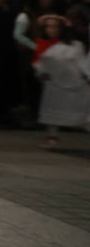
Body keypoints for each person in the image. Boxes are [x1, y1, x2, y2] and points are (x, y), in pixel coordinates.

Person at [32, 15, 90, 148]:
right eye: (48, 26)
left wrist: (87, 76)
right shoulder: (42, 45)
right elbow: (39, 64)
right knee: (52, 110)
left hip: (75, 83)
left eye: (54, 26)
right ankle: (52, 136)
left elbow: (81, 64)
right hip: (54, 84)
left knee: (84, 110)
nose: (51, 29)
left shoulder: (75, 45)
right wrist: (40, 73)